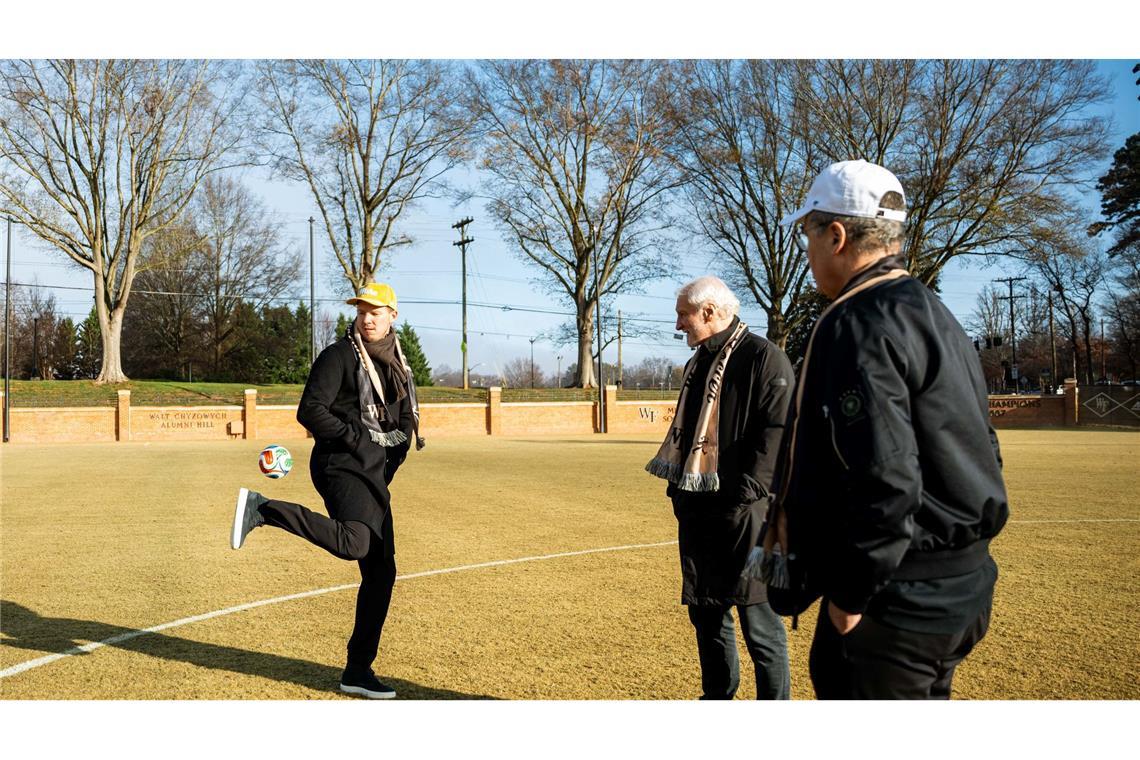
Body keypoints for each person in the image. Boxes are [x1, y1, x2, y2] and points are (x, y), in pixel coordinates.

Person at [768, 159, 1009, 699]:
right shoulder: (933, 310)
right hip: (961, 585)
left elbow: (887, 476)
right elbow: (985, 446)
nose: (805, 252)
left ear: (836, 236)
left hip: (898, 599)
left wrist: (850, 597)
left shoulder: (859, 322)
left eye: (808, 234)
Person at [230, 281, 424, 700]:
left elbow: (404, 423)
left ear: (393, 315)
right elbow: (310, 410)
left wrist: (389, 457)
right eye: (361, 311)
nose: (367, 317)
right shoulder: (338, 356)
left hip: (373, 473)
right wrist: (356, 439)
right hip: (339, 464)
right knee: (355, 543)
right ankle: (263, 509)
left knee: (381, 572)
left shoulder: (399, 368)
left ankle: (357, 670)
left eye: (375, 311)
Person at [645, 276, 794, 700]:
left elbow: (778, 435)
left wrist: (743, 494)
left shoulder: (765, 358)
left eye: (683, 315)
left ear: (709, 312)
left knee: (761, 623)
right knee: (707, 617)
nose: (678, 325)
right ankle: (717, 702)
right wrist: (680, 494)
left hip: (754, 518)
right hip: (699, 512)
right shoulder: (697, 363)